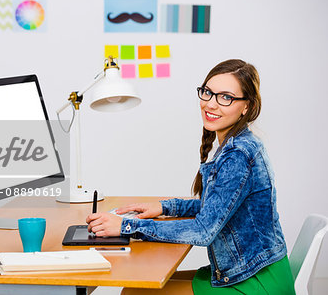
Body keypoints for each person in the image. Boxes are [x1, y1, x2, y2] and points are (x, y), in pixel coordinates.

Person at [86, 59, 295, 294]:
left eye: (226, 97)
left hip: (256, 281)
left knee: (133, 292)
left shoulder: (238, 154)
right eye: (207, 93)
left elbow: (204, 230)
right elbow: (216, 208)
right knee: (141, 284)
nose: (211, 104)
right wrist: (164, 208)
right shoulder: (237, 144)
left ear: (246, 106)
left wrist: (126, 226)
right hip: (248, 270)